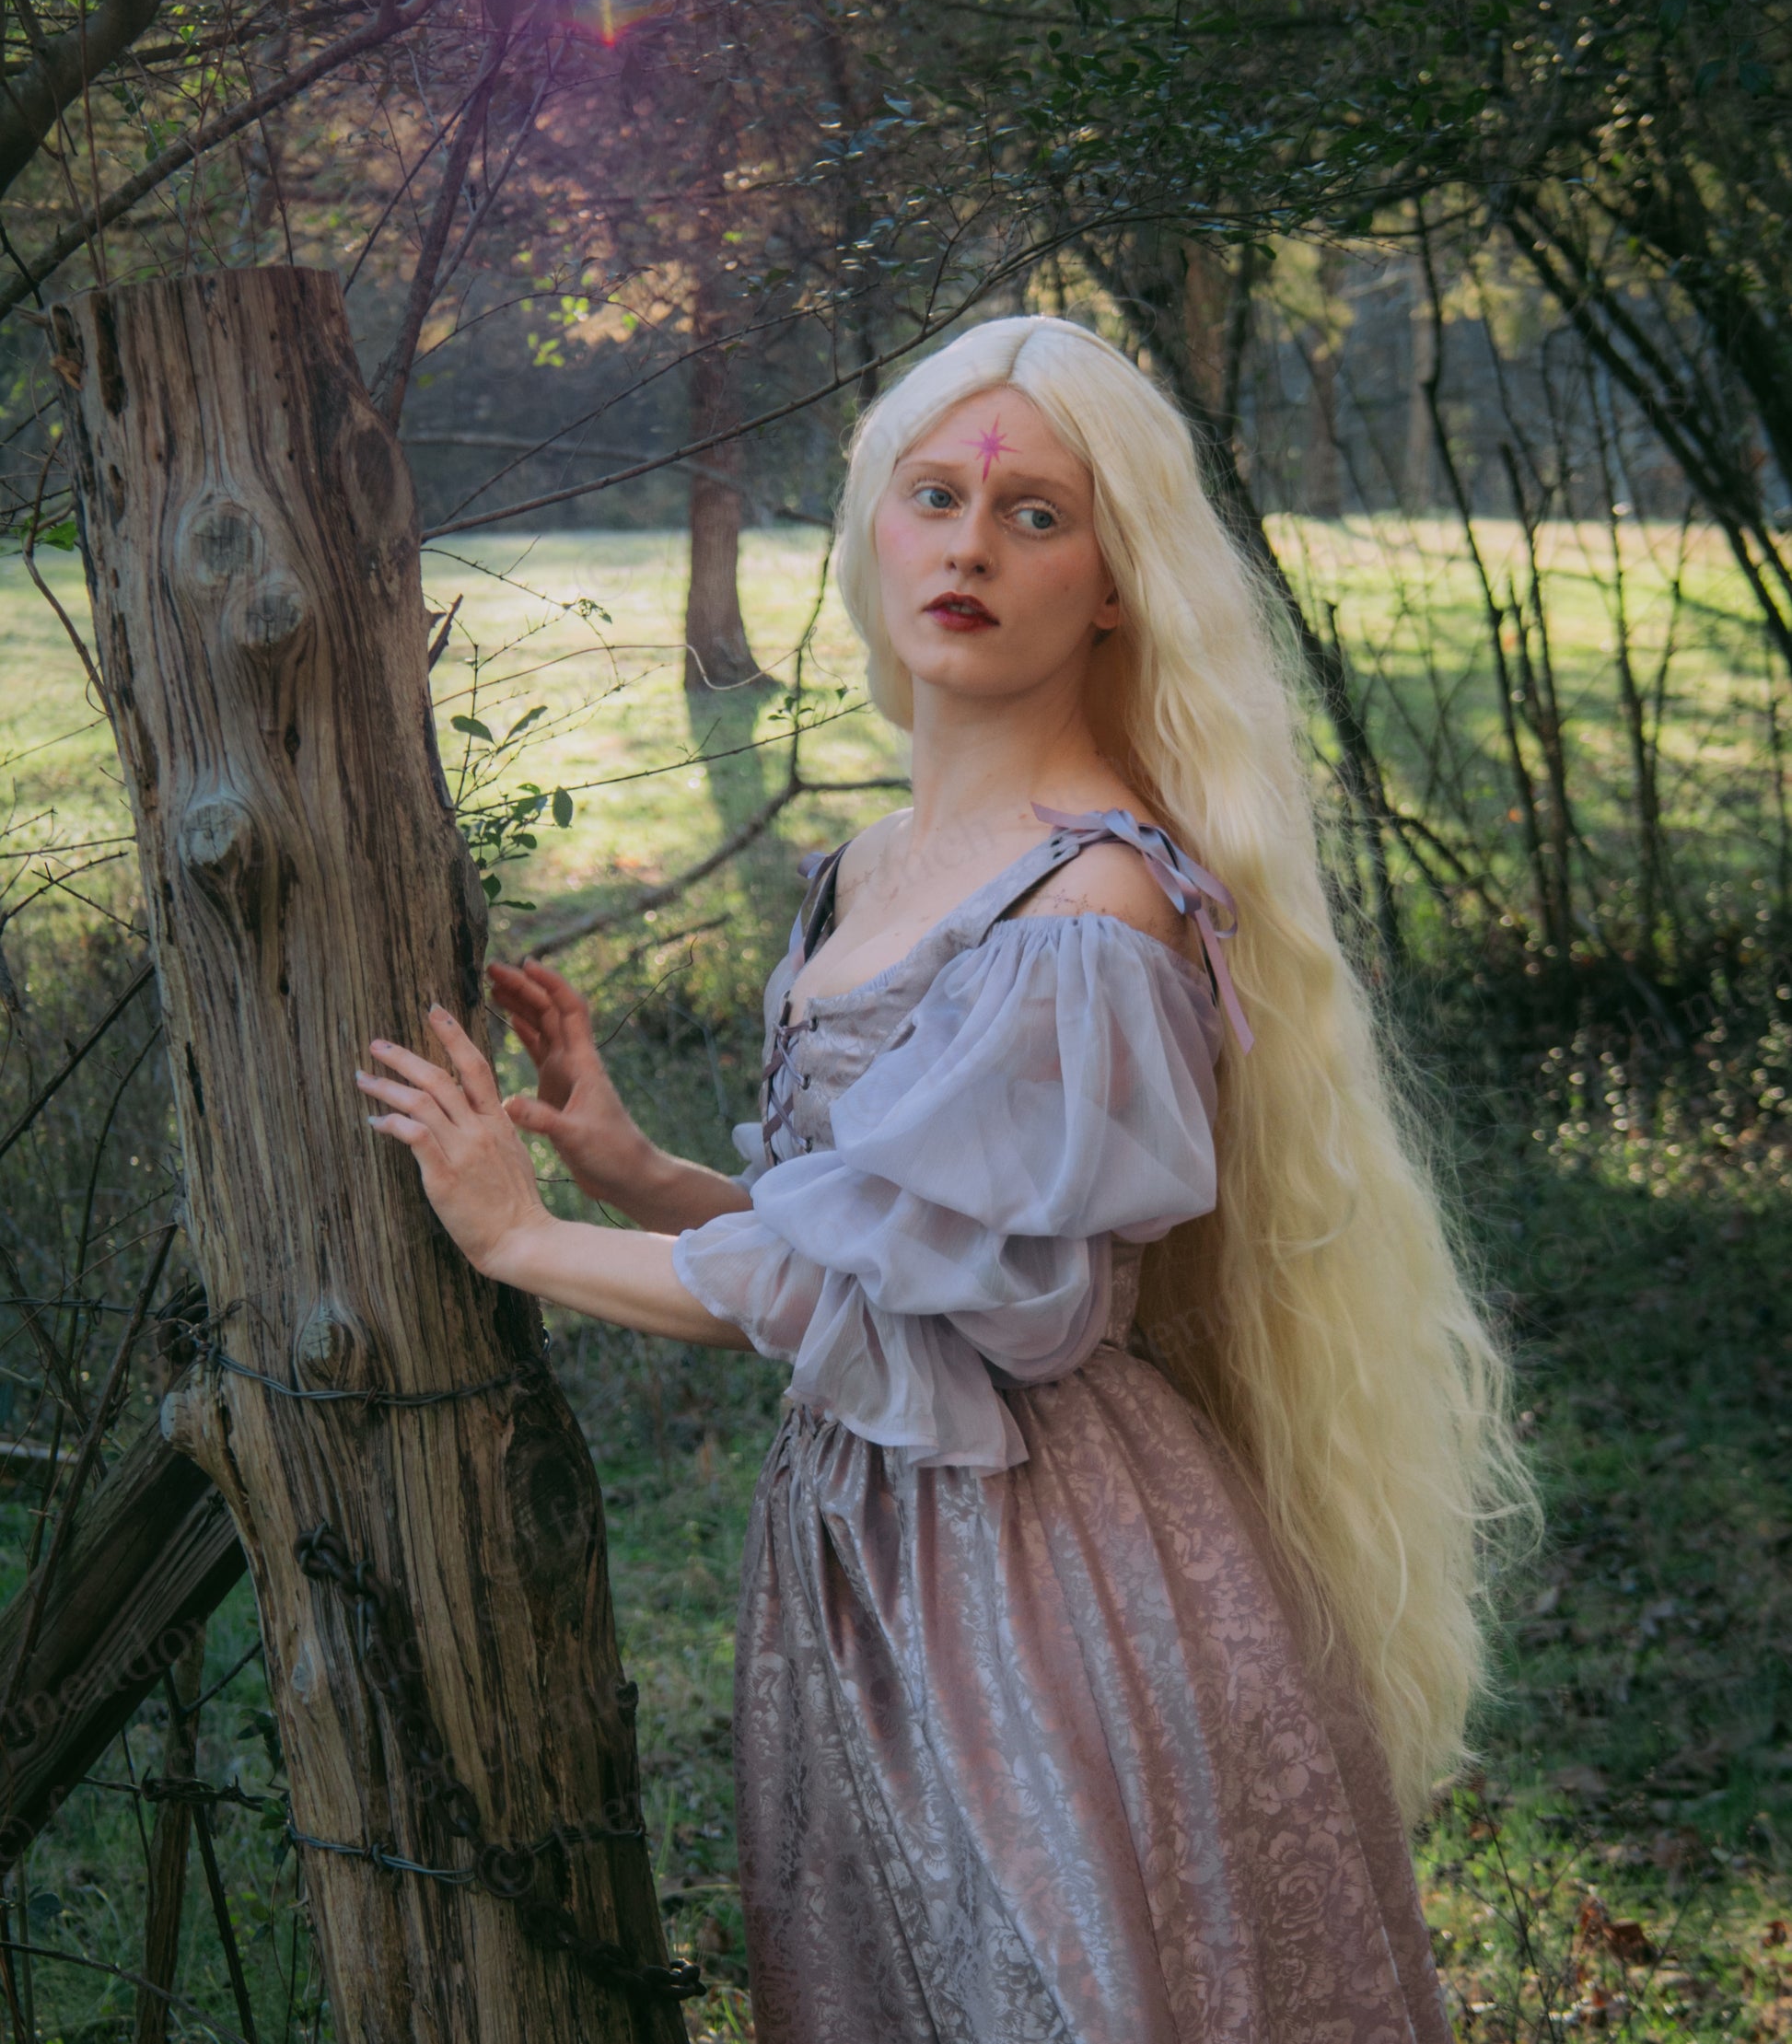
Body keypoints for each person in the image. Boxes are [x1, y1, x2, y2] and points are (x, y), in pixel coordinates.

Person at [357, 315, 1521, 2042]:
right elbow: (882, 1247)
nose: (970, 544)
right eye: (933, 494)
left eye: (1036, 513)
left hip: (1035, 1568)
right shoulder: (869, 871)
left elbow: (857, 1298)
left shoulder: (1090, 918)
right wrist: (639, 1166)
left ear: (1116, 579)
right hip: (866, 1557)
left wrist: (520, 1238)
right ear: (870, 531)